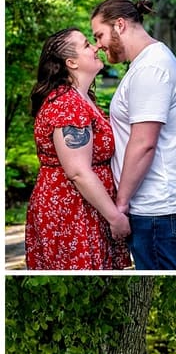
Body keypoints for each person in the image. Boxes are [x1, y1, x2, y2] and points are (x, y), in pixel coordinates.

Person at [90, 0, 176, 270]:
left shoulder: (150, 68)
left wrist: (120, 204)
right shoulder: (147, 63)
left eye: (99, 35)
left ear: (120, 25)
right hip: (156, 205)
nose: (98, 45)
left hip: (157, 208)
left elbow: (143, 143)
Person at [24, 29, 130, 269]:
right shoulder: (66, 104)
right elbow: (78, 172)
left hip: (86, 208)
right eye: (86, 45)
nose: (95, 48)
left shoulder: (80, 99)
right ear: (71, 62)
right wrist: (115, 218)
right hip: (72, 211)